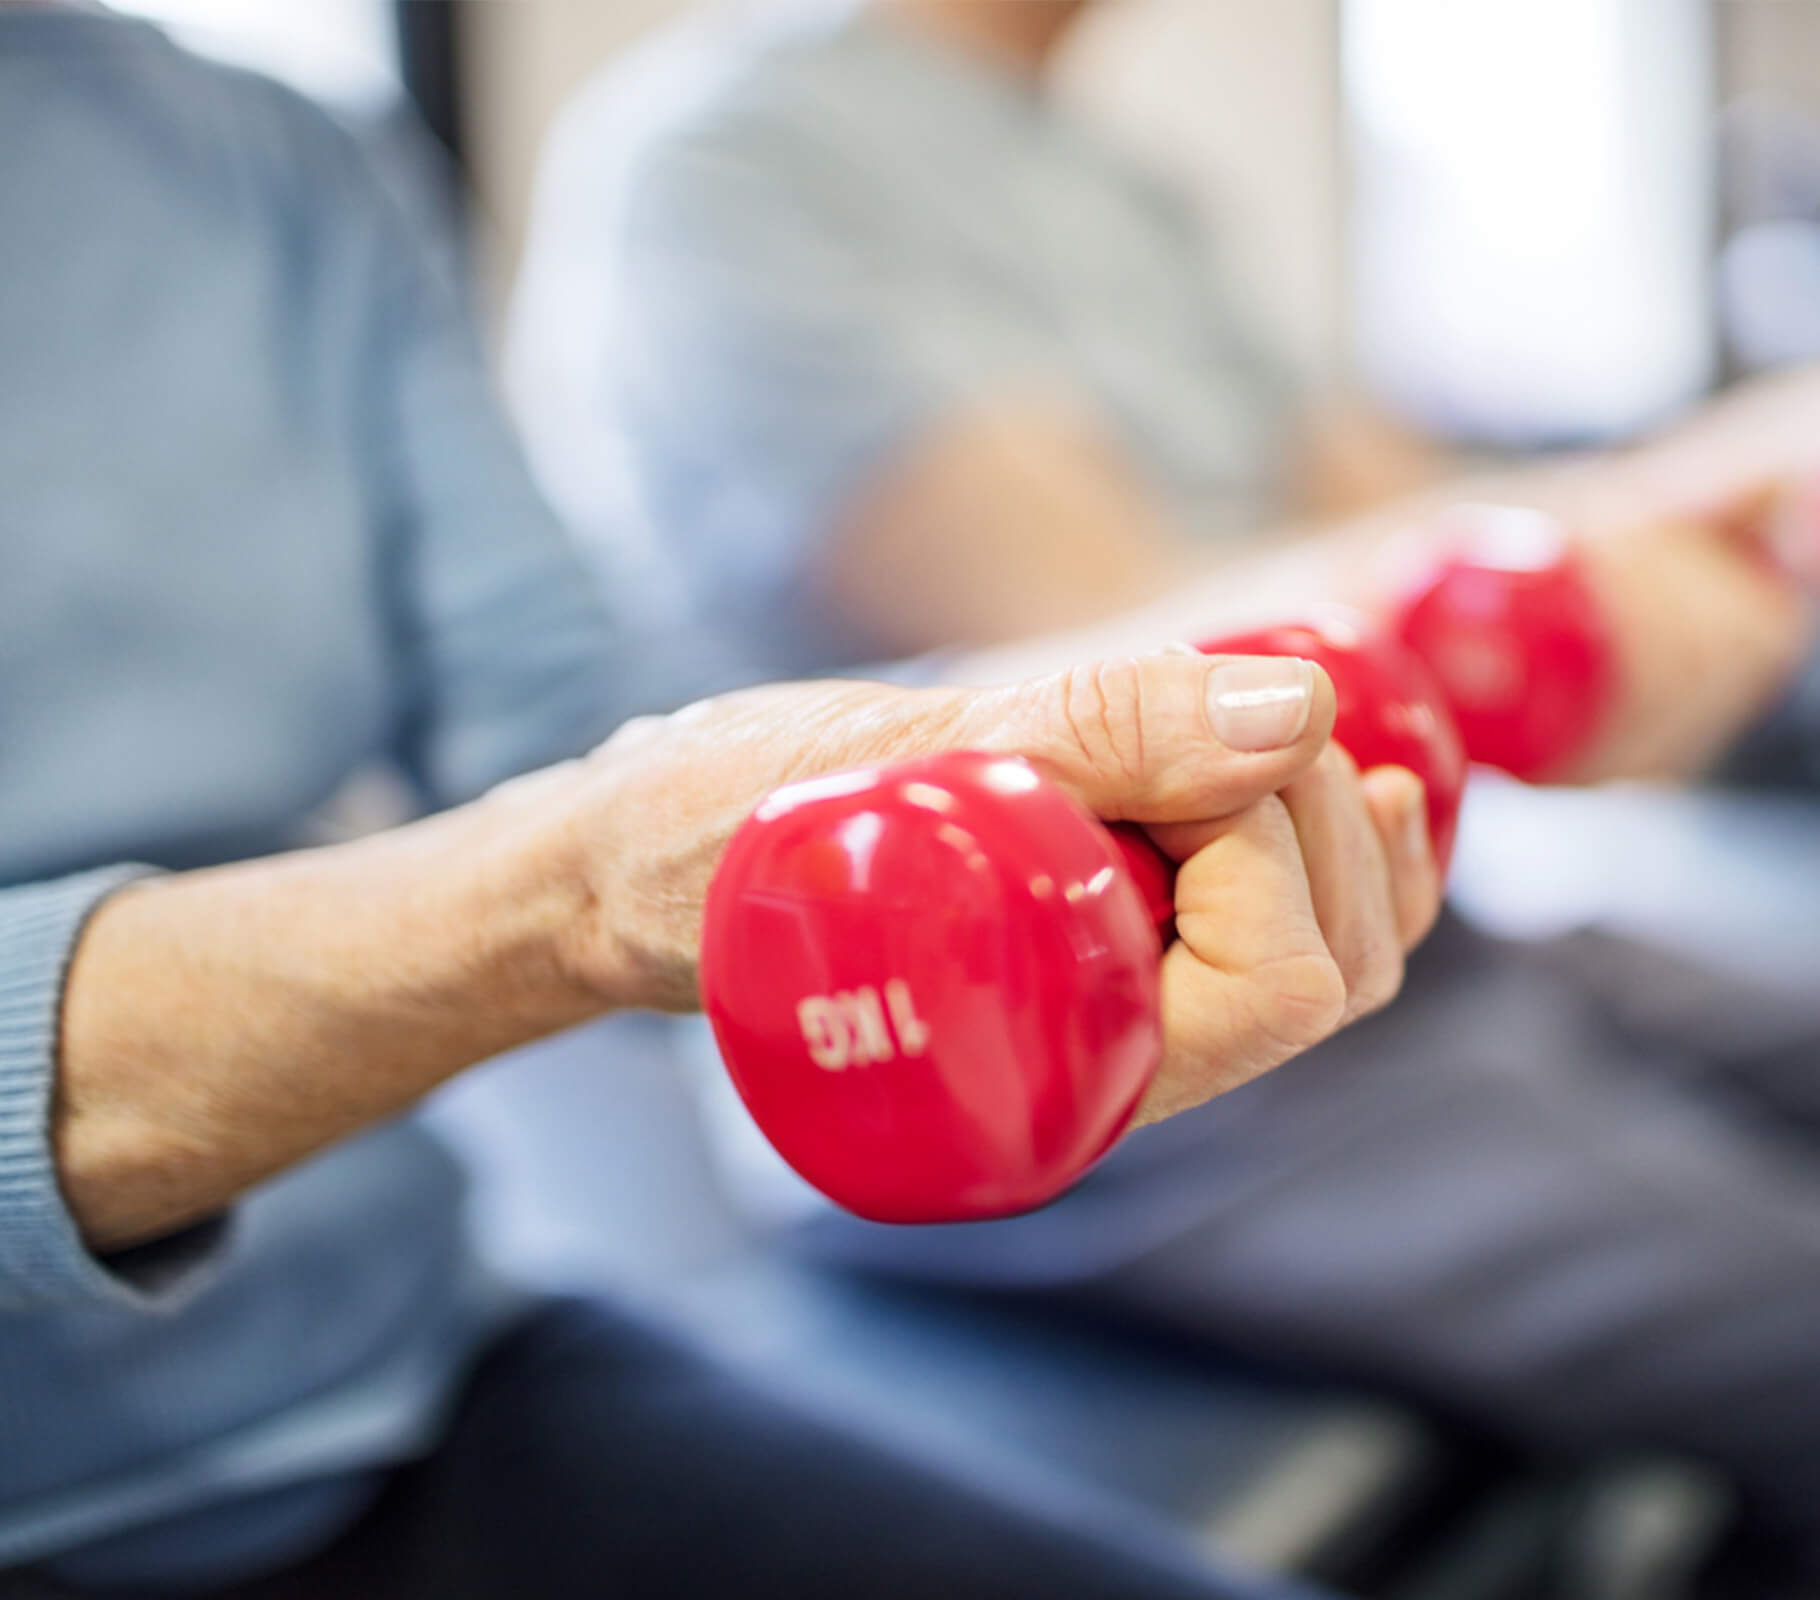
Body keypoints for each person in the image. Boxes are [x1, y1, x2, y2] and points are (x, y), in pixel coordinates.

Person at [0, 7, 1451, 1597]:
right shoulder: (734, 152)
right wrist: (582, 892)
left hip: (396, 1373)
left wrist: (1028, 812)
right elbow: (591, 859)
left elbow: (564, 738)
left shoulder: (257, 151)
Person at [507, 0, 1820, 1573]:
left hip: (1379, 931)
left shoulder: (1120, 186)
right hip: (1061, 1054)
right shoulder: (736, 158)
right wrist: (1629, 519)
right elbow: (1109, 670)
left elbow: (1398, 515)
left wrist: (1678, 524)